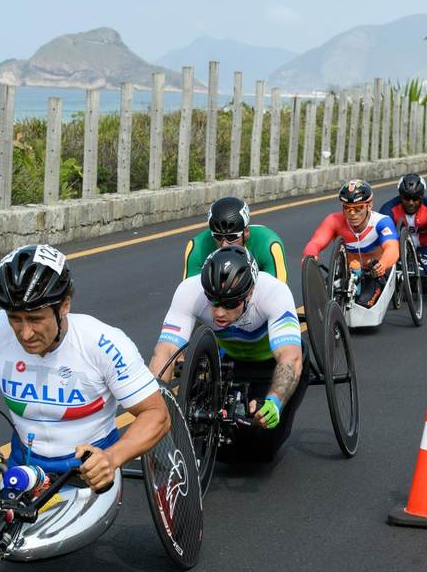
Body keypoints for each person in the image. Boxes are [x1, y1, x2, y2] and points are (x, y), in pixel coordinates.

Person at [0, 244, 170, 493]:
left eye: (35, 319)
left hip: (85, 470)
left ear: (64, 305)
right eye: (14, 317)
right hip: (24, 466)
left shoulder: (103, 343)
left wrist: (111, 458)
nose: (25, 332)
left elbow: (156, 414)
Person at [149, 246, 307, 461]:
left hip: (271, 364)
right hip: (231, 361)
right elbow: (166, 352)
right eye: (213, 301)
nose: (219, 312)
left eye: (230, 303)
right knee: (216, 450)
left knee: (260, 451)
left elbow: (290, 357)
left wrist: (274, 402)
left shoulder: (274, 292)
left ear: (249, 292)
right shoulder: (190, 291)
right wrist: (153, 406)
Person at [302, 180, 400, 308]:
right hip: (347, 273)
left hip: (374, 272)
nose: (352, 214)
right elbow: (315, 243)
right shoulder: (334, 220)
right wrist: (310, 257)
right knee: (321, 301)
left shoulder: (382, 222)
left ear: (369, 205)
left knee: (363, 304)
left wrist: (383, 264)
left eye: (358, 208)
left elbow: (392, 248)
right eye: (347, 208)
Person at [182, 196, 287, 282]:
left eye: (232, 237)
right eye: (218, 236)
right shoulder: (197, 247)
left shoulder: (269, 245)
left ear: (246, 232)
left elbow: (278, 293)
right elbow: (188, 295)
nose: (224, 245)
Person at [377, 173, 427, 293]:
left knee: (421, 284)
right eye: (406, 198)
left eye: (415, 199)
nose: (410, 203)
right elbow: (381, 240)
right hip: (399, 250)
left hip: (425, 248)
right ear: (400, 195)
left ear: (422, 196)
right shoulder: (388, 209)